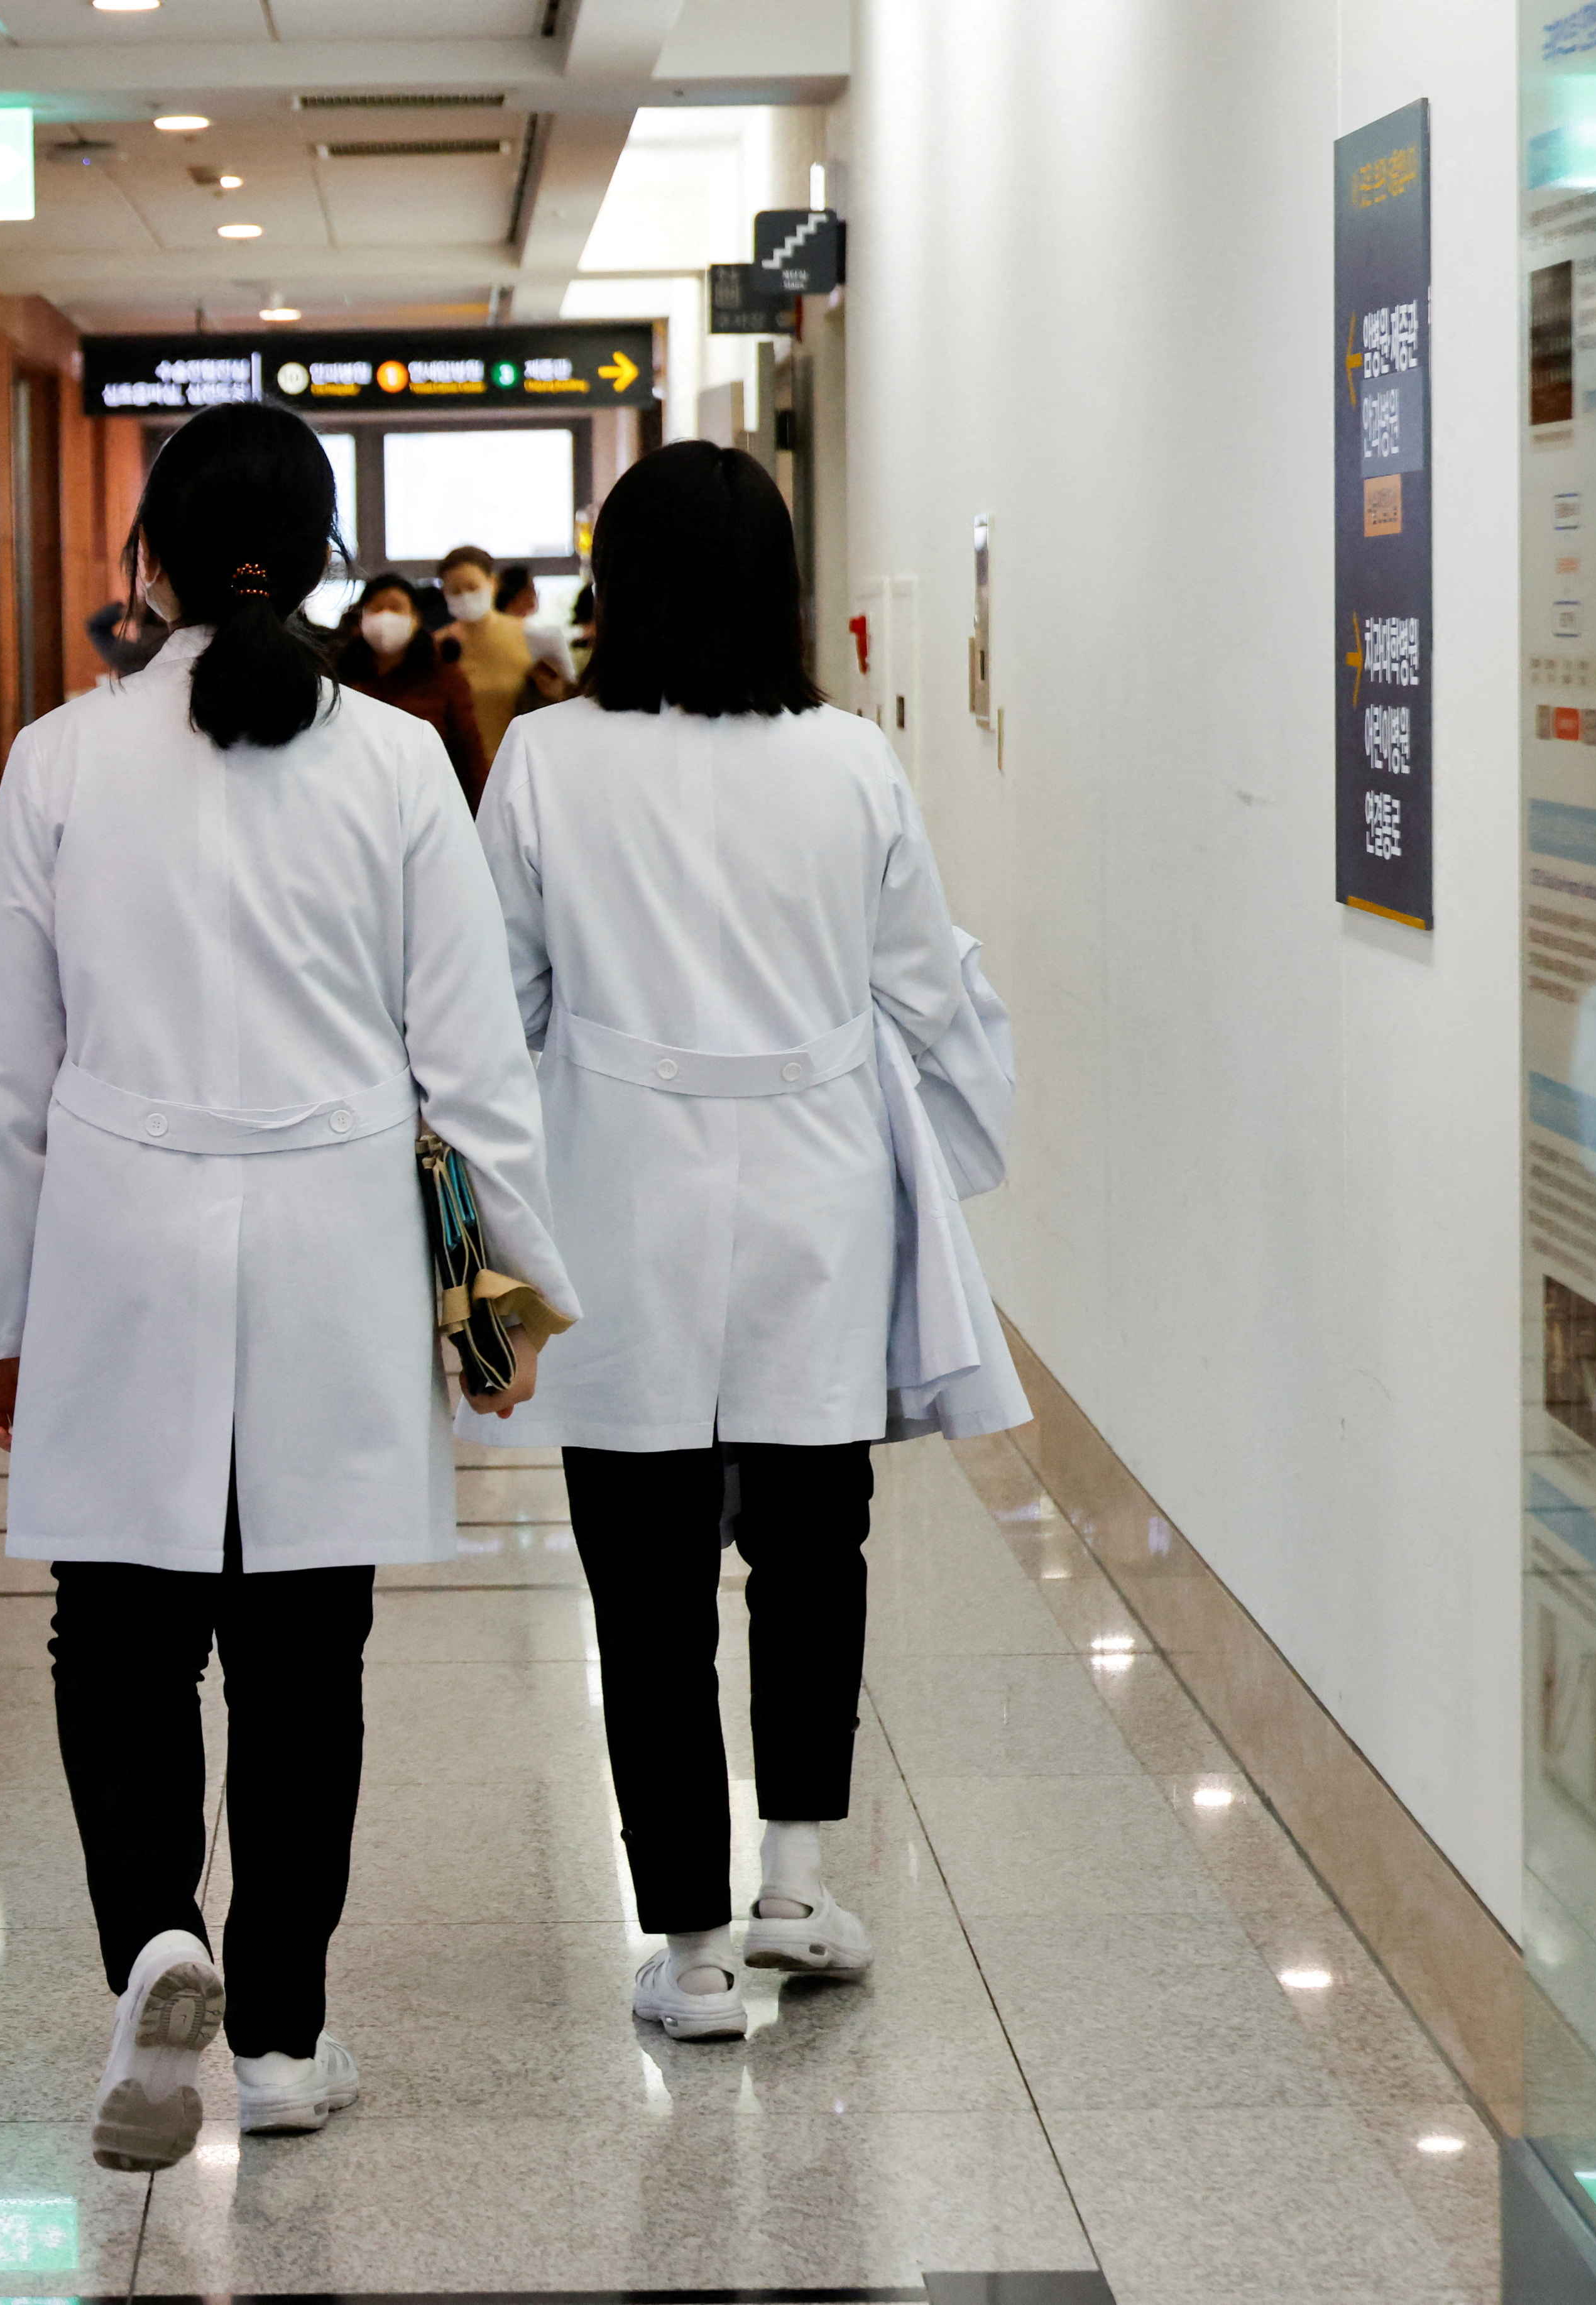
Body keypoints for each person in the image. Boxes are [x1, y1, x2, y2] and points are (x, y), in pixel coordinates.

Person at [0, 400, 574, 2172]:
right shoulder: (393, 763)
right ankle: (284, 2033)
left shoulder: (59, 757)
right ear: (312, 560)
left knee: (120, 1624)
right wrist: (503, 1301)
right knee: (305, 1648)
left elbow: (5, 1068)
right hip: (332, 1247)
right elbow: (472, 1069)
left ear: (150, 560)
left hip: (120, 1243)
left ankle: (155, 1932)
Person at [465, 439, 1003, 2043]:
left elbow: (498, 1007)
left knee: (639, 1581)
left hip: (613, 1188)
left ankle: (689, 1951)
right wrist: (954, 1133)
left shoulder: (546, 761)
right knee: (808, 1546)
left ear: (612, 586)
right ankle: (792, 1880)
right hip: (812, 1189)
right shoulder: (847, 762)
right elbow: (925, 985)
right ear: (778, 587)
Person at [329, 571, 487, 804]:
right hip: (355, 798)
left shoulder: (443, 673)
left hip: (425, 798)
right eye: (375, 609)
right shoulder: (340, 672)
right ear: (362, 617)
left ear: (415, 617)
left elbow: (468, 753)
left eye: (396, 608)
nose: (385, 617)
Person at [435, 544, 537, 764]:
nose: (465, 596)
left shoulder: (527, 635)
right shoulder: (438, 645)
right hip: (460, 770)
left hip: (519, 763)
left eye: (472, 587)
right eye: (455, 591)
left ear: (492, 584)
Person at [493, 562, 573, 713]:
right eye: (532, 590)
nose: (535, 596)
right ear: (519, 595)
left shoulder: (531, 631)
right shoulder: (530, 635)